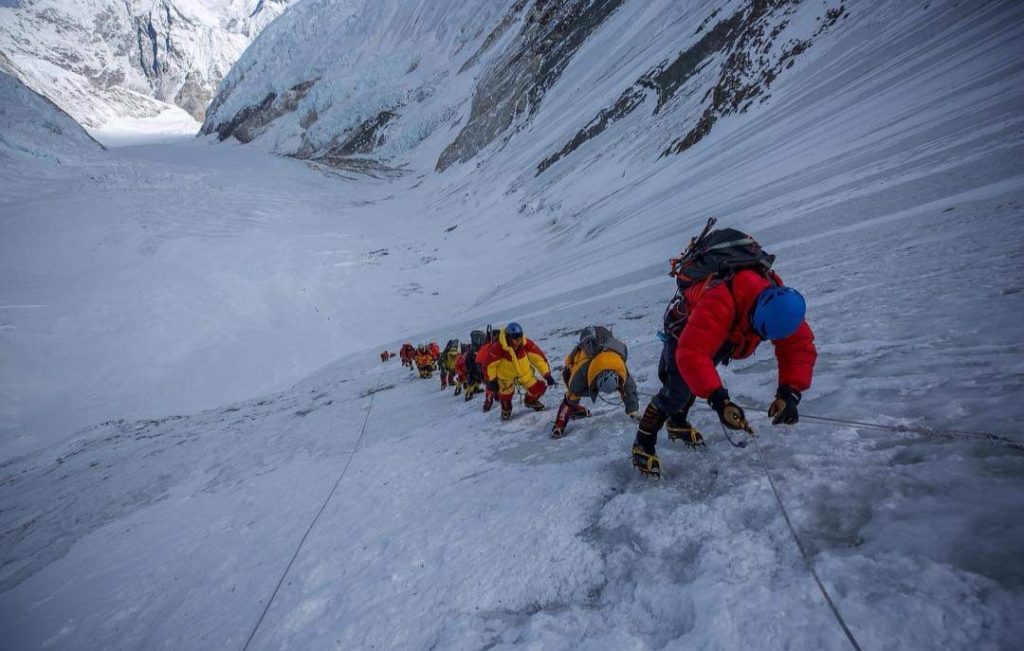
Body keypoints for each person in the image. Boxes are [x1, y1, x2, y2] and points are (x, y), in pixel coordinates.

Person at [632, 221, 817, 477]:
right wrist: (719, 400)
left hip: (727, 334)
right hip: (685, 329)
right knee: (677, 389)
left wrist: (790, 393)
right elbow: (691, 354)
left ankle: (677, 422)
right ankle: (643, 442)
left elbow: (798, 346)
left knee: (697, 379)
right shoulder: (722, 299)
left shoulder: (781, 306)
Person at [551, 326, 639, 438]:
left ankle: (574, 409)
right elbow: (573, 388)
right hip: (584, 356)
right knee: (572, 396)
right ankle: (560, 424)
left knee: (626, 385)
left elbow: (628, 388)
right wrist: (591, 390)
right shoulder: (581, 370)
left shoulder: (619, 367)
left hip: (602, 342)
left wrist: (633, 411)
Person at [481, 322, 556, 420]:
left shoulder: (525, 344)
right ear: (508, 337)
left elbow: (538, 359)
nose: (518, 341)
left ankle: (530, 401)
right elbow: (489, 365)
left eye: (520, 337)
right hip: (505, 376)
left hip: (524, 373)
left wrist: (547, 375)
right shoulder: (498, 347)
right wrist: (492, 380)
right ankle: (506, 410)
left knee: (538, 388)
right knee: (505, 397)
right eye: (515, 338)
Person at [476, 326, 501, 412]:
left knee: (493, 384)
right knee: (491, 385)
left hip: (484, 366)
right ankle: (488, 402)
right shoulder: (491, 347)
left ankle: (496, 397)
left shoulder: (488, 346)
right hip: (485, 367)